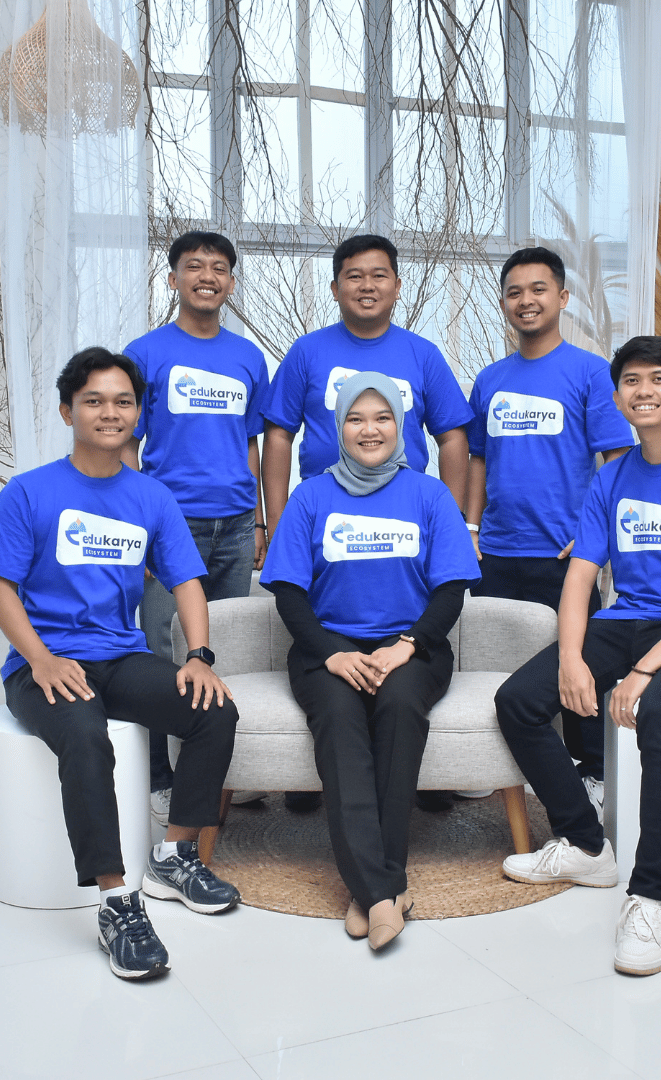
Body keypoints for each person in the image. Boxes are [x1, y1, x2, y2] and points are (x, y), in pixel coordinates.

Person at [494, 336, 661, 976]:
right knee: (519, 701)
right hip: (626, 619)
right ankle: (587, 844)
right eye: (632, 381)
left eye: (658, 379)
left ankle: (654, 898)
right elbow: (581, 576)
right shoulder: (610, 477)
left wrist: (645, 671)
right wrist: (570, 656)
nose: (644, 391)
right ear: (618, 396)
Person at [0, 347, 241, 981]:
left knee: (213, 710)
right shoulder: (29, 491)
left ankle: (174, 857)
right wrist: (39, 659)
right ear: (68, 411)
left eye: (123, 401)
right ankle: (117, 901)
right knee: (86, 736)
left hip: (121, 657)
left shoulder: (151, 496)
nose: (109, 412)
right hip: (42, 664)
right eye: (93, 401)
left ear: (139, 414)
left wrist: (199, 657)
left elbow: (187, 582)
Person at [259, 371, 480, 949]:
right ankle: (384, 892)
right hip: (326, 647)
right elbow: (289, 594)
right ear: (338, 427)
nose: (369, 429)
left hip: (412, 645)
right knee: (339, 720)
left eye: (383, 417)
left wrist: (407, 645)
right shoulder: (311, 496)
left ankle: (372, 889)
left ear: (401, 426)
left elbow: (451, 590)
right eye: (356, 418)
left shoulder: (430, 495)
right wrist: (332, 653)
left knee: (401, 706)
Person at [262, 234, 474, 812]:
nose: (366, 285)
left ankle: (410, 787)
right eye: (353, 275)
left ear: (397, 287)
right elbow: (278, 435)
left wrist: (451, 522)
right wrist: (277, 524)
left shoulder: (423, 354)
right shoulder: (306, 352)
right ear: (335, 288)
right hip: (324, 515)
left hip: (404, 512)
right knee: (331, 681)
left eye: (379, 275)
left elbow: (453, 436)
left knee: (402, 690)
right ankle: (320, 782)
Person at [466, 246, 633, 816]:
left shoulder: (589, 372)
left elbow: (616, 460)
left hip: (566, 555)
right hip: (496, 550)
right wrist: (470, 528)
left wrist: (597, 534)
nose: (526, 300)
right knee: (493, 662)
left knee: (581, 663)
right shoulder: (490, 380)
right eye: (514, 292)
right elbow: (478, 460)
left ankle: (593, 772)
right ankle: (488, 767)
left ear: (561, 298)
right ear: (504, 303)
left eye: (538, 289)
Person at [122, 231, 269, 825]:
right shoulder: (144, 352)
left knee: (221, 647)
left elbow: (252, 443)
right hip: (169, 526)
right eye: (194, 266)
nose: (207, 276)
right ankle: (160, 776)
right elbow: (127, 444)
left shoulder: (248, 357)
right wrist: (138, 528)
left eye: (218, 268)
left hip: (234, 524)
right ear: (173, 279)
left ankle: (220, 771)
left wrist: (259, 520)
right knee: (161, 651)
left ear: (230, 282)